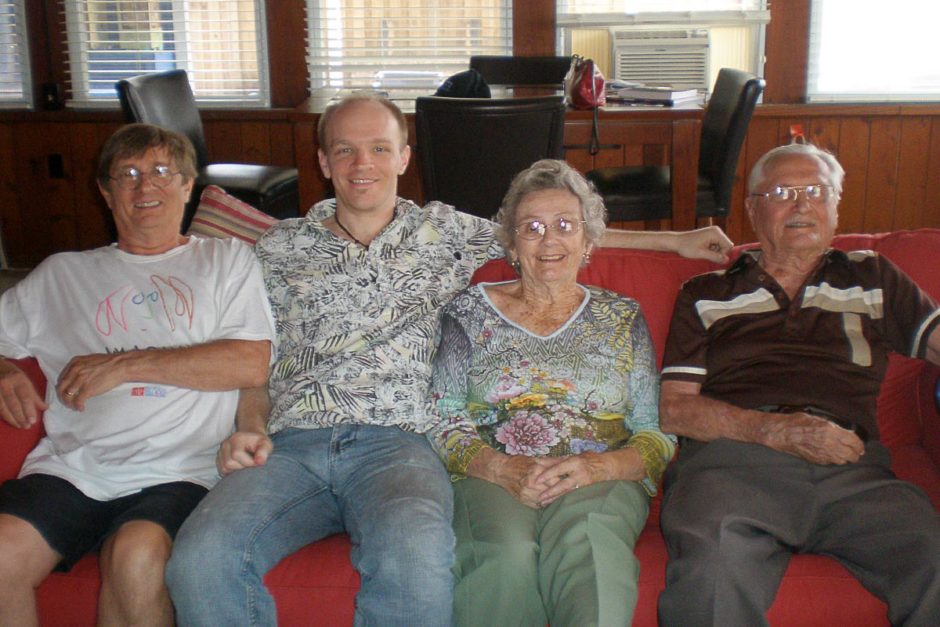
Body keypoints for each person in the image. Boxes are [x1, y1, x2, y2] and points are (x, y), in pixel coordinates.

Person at [165, 91, 732, 626]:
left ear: (405, 157)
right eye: (346, 150)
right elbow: (252, 352)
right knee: (199, 560)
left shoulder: (445, 232)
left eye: (380, 148)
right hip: (292, 444)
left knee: (415, 558)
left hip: (398, 444)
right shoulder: (277, 247)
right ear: (324, 160)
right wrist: (247, 424)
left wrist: (677, 240)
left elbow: (549, 233)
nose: (363, 163)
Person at [0, 123, 275, 626]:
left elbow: (250, 362)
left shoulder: (226, 260)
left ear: (189, 186)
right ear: (105, 193)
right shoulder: (61, 274)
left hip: (182, 469)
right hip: (72, 468)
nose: (144, 187)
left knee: (137, 556)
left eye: (161, 172)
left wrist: (123, 364)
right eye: (127, 174)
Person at [657, 142, 940, 626]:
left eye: (816, 190)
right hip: (732, 468)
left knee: (932, 556)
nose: (802, 203)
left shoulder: (873, 276)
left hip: (853, 471)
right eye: (783, 192)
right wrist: (773, 431)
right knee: (712, 571)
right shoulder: (706, 292)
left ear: (835, 205)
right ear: (752, 209)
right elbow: (675, 410)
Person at [428, 159, 675, 626]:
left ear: (587, 241)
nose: (549, 240)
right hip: (491, 472)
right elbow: (443, 419)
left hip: (600, 474)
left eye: (565, 225)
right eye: (533, 227)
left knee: (587, 545)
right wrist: (501, 467)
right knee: (504, 555)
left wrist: (596, 466)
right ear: (512, 245)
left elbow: (655, 432)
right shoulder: (468, 312)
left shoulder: (621, 316)